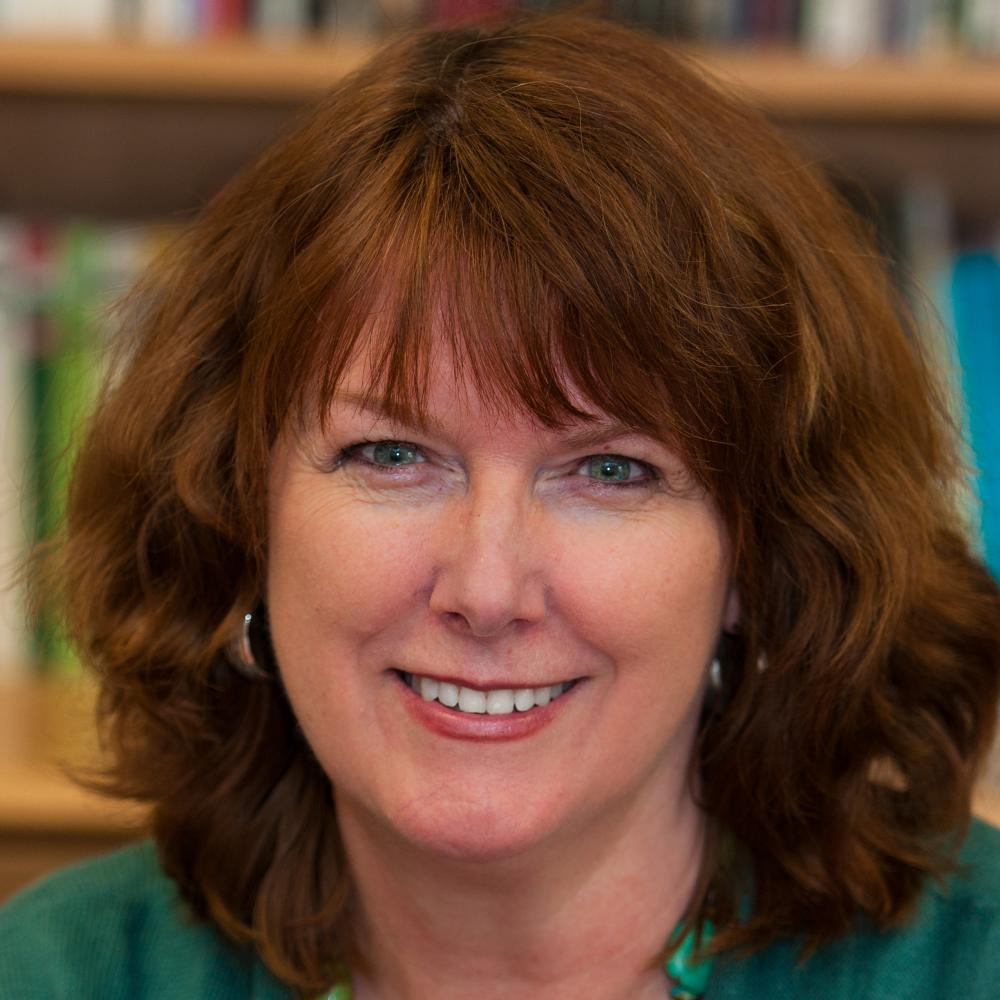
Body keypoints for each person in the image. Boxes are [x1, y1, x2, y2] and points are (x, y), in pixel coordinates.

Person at [2, 8, 999, 999]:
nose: (486, 588)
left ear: (755, 553)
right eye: (391, 453)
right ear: (239, 514)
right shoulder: (60, 973)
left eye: (610, 470)